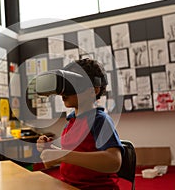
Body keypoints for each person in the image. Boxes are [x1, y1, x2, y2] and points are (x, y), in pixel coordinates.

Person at [36, 58, 124, 190]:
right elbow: (74, 158)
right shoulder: (70, 122)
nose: (64, 93)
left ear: (93, 90)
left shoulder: (99, 120)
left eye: (73, 84)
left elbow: (114, 162)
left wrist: (63, 155)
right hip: (68, 185)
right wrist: (52, 151)